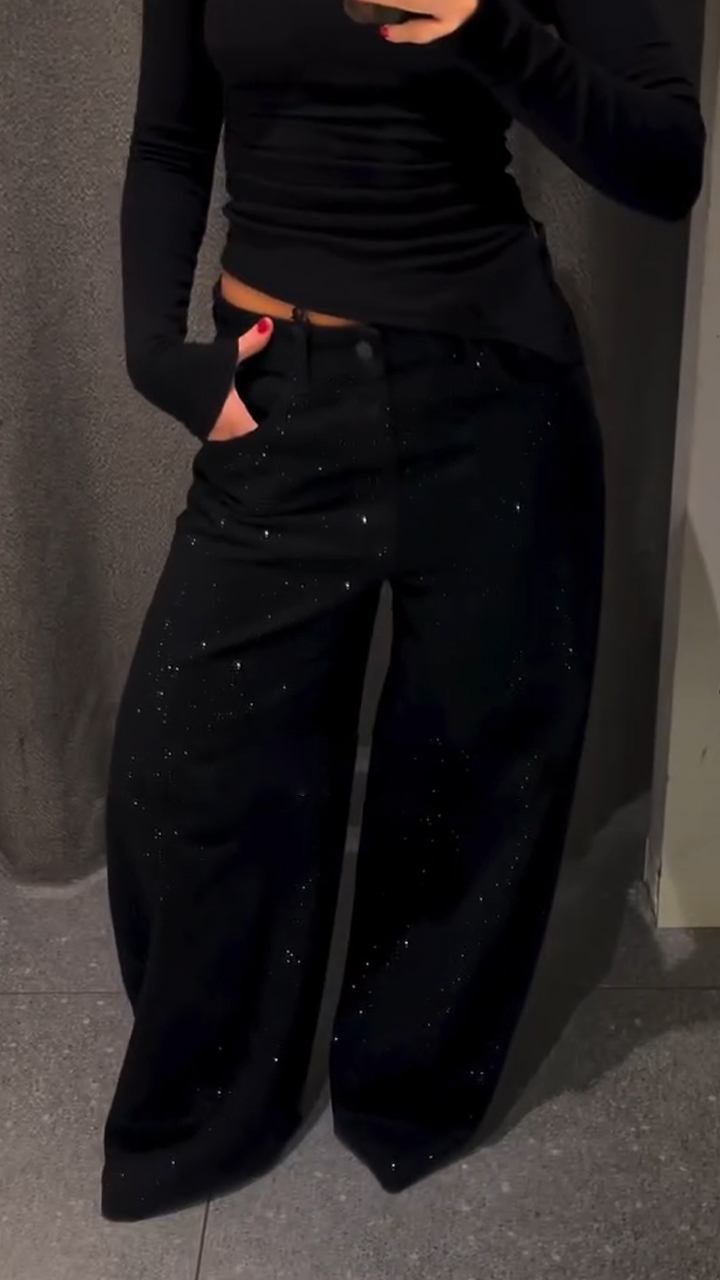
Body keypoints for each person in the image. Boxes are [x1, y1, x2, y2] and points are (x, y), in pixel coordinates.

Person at [100, 0, 705, 1223]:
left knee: (472, 778)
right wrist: (157, 356)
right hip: (282, 399)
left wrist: (489, 29)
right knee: (187, 774)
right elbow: (169, 136)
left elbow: (667, 162)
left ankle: (407, 1087)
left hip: (492, 400)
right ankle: (212, 1104)